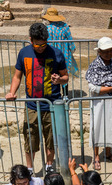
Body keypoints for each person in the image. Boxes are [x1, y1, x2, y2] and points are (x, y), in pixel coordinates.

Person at [6, 23, 69, 173]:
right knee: (30, 137)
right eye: (37, 44)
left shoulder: (56, 53)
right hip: (31, 105)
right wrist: (11, 92)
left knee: (50, 138)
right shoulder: (24, 53)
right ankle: (30, 168)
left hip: (52, 105)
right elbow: (17, 76)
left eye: (43, 44)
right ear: (30, 40)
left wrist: (59, 80)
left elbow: (66, 77)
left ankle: (49, 165)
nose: (41, 47)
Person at [86, 37, 112, 169]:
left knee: (111, 127)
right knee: (97, 127)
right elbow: (92, 87)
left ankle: (108, 152)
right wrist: (111, 88)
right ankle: (96, 156)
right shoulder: (94, 66)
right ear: (99, 51)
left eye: (110, 51)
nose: (108, 54)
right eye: (105, 51)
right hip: (99, 102)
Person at [43, 8, 79, 77]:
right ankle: (65, 88)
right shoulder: (64, 26)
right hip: (64, 55)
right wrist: (71, 50)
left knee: (53, 76)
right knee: (64, 75)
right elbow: (70, 42)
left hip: (52, 55)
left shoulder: (47, 29)